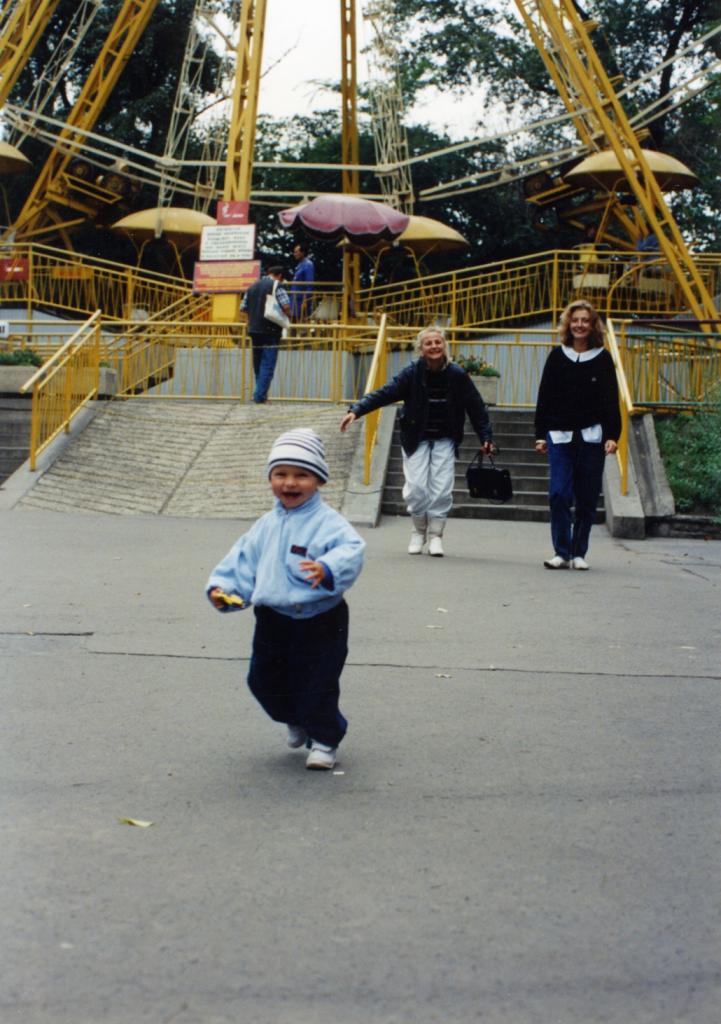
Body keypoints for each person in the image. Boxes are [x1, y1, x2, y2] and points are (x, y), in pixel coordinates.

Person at [206, 428, 365, 771]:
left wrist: (327, 568)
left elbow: (353, 550)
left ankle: (324, 739)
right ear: (270, 479)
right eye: (281, 474)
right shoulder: (265, 525)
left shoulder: (329, 523)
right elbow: (243, 559)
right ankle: (295, 717)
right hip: (273, 617)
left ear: (318, 480)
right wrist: (224, 588)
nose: (290, 483)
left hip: (322, 618)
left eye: (301, 475)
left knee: (318, 682)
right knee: (263, 681)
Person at [340, 326, 493, 557]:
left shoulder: (457, 375)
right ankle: (418, 531)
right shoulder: (411, 373)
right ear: (420, 349)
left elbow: (476, 408)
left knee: (441, 489)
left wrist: (486, 437)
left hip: (445, 437)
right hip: (416, 437)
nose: (434, 346)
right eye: (428, 343)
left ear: (444, 346)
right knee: (416, 488)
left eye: (438, 342)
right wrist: (357, 410)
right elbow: (385, 392)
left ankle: (435, 537)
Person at [534, 300, 621, 571]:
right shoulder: (557, 356)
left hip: (592, 436)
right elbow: (544, 396)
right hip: (559, 435)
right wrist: (540, 434)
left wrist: (612, 434)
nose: (580, 325)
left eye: (585, 320)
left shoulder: (603, 357)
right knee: (559, 493)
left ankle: (578, 552)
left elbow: (610, 399)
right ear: (568, 325)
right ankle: (561, 552)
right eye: (575, 320)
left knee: (586, 496)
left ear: (593, 325)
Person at [240, 265, 291, 404]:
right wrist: (288, 316)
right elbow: (286, 306)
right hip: (271, 330)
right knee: (268, 364)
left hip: (254, 329)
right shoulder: (277, 285)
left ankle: (261, 395)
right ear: (279, 275)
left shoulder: (252, 286)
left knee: (258, 363)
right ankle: (259, 396)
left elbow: (243, 308)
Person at [289, 242, 315, 319]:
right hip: (295, 300)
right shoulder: (299, 265)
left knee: (299, 324)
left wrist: (306, 300)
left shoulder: (308, 264)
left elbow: (309, 284)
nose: (294, 254)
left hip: (300, 301)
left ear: (303, 253)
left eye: (296, 252)